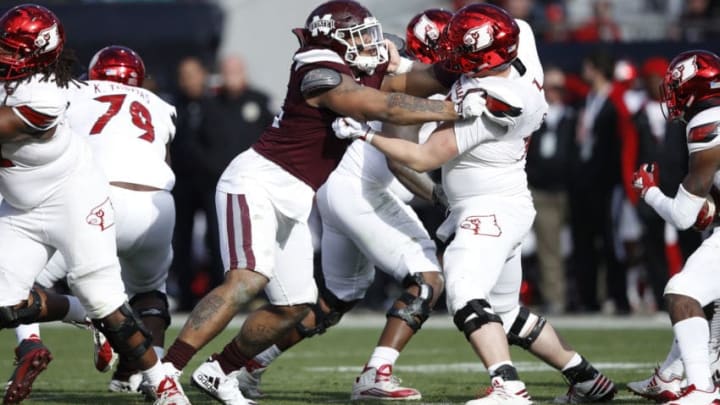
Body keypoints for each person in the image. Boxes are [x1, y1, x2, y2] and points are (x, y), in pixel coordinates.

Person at [157, 1, 484, 404]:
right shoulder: (317, 67)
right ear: (333, 38)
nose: (369, 44)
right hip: (255, 183)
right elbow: (378, 105)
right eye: (358, 36)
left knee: (295, 306)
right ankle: (166, 372)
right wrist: (453, 108)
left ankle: (220, 370)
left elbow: (418, 83)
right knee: (247, 280)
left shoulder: (354, 66)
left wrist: (469, 64)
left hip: (294, 196)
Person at [333, 4, 616, 404]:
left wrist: (366, 135)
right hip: (506, 201)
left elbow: (419, 158)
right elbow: (508, 27)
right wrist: (410, 65)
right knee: (505, 313)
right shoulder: (520, 46)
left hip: (488, 211)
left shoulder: (486, 101)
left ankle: (508, 388)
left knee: (464, 291)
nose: (449, 59)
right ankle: (588, 379)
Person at [227, 8, 453, 402]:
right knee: (427, 278)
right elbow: (401, 159)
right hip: (359, 191)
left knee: (337, 297)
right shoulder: (414, 77)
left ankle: (251, 366)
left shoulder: (391, 62)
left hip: (339, 189)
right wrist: (438, 195)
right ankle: (376, 374)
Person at [0, 5, 187, 405]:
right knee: (7, 306)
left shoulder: (51, 94)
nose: (7, 57)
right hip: (30, 207)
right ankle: (84, 322)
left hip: (75, 198)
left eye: (17, 50)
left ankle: (163, 384)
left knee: (105, 299)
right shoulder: (155, 103)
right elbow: (164, 160)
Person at [631, 49, 720, 404]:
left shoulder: (708, 118)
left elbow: (683, 216)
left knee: (682, 292)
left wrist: (649, 192)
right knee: (707, 305)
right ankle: (672, 376)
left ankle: (701, 389)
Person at [525, 66, 576, 314]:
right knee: (548, 248)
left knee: (573, 246)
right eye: (551, 87)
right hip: (543, 190)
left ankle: (578, 294)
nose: (555, 93)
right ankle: (555, 296)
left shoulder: (573, 117)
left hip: (568, 190)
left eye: (559, 88)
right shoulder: (536, 115)